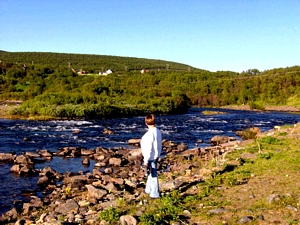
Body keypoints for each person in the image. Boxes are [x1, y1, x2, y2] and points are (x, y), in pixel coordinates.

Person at [141, 114, 162, 198]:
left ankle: (155, 193)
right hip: (156, 155)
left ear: (146, 123)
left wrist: (145, 161)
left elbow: (149, 148)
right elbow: (159, 144)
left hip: (150, 156)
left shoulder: (149, 134)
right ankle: (148, 189)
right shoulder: (158, 131)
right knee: (150, 172)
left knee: (153, 174)